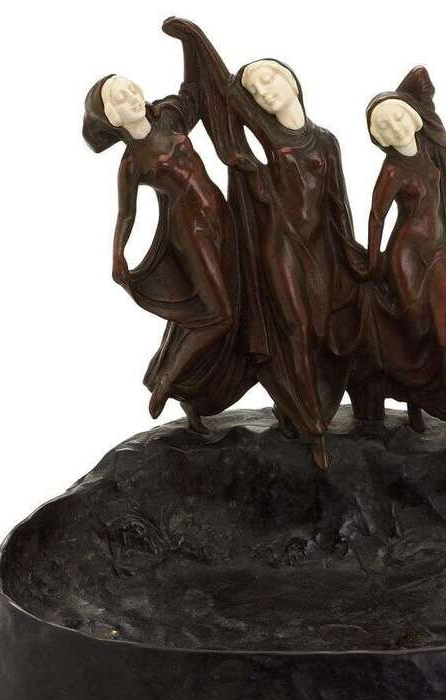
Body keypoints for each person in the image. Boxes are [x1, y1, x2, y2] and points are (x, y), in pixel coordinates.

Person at [161, 18, 368, 469]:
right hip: (279, 246)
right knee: (293, 327)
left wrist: (354, 252)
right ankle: (312, 427)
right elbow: (222, 89)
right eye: (254, 89)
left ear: (291, 79)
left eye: (269, 78)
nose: (264, 91)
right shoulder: (264, 135)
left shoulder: (326, 141)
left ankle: (303, 412)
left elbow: (338, 202)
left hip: (322, 252)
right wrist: (193, 38)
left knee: (322, 330)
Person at [83, 73, 255, 429]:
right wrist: (118, 254)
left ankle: (196, 397)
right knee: (218, 314)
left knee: (236, 303)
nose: (132, 97)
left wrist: (189, 45)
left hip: (221, 216)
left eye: (131, 88)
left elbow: (193, 90)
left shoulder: (169, 117)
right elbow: (127, 214)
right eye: (120, 98)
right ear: (112, 117)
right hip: (190, 231)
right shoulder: (132, 163)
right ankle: (167, 380)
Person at [348, 66, 446, 468]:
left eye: (399, 117)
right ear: (379, 138)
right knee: (416, 332)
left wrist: (409, 98)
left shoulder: (435, 150)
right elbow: (376, 217)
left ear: (414, 117)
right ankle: (414, 403)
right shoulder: (392, 169)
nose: (396, 127)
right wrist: (373, 264)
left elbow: (421, 78)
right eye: (384, 126)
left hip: (437, 254)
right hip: (404, 257)